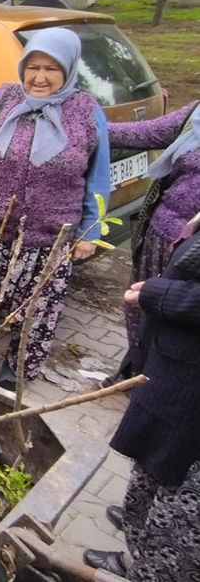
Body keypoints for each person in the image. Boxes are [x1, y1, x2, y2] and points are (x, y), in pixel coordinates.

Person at [0, 28, 111, 390]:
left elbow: (98, 176)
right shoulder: (2, 99)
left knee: (34, 312)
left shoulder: (86, 112)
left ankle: (14, 373)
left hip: (47, 236)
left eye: (51, 68)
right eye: (33, 66)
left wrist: (89, 232)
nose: (40, 77)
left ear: (68, 69)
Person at [82, 213, 200, 581]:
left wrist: (159, 293)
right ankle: (139, 545)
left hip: (190, 393)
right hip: (176, 371)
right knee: (151, 475)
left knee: (178, 512)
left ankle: (151, 566)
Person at [102, 101, 200, 383]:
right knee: (138, 304)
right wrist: (90, 123)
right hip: (158, 232)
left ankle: (155, 381)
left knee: (172, 316)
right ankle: (134, 367)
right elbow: (148, 132)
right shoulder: (195, 113)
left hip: (192, 252)